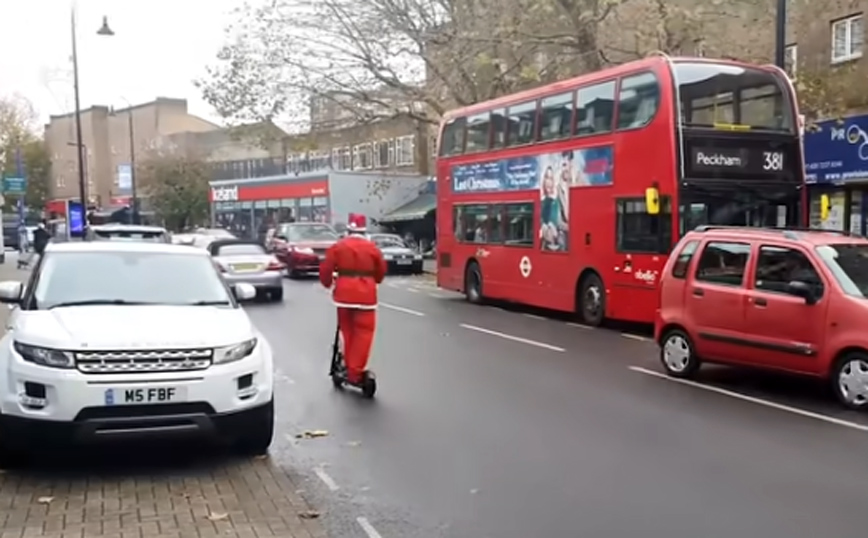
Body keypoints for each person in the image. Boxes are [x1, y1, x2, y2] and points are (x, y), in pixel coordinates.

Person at [319, 214, 387, 385]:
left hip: (344, 296)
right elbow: (380, 271)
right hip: (366, 297)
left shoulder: (339, 247)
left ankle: (349, 366)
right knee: (364, 333)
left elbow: (326, 268)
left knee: (347, 332)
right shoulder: (372, 248)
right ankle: (356, 371)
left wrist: (328, 283)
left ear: (349, 229)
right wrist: (374, 281)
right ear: (364, 230)